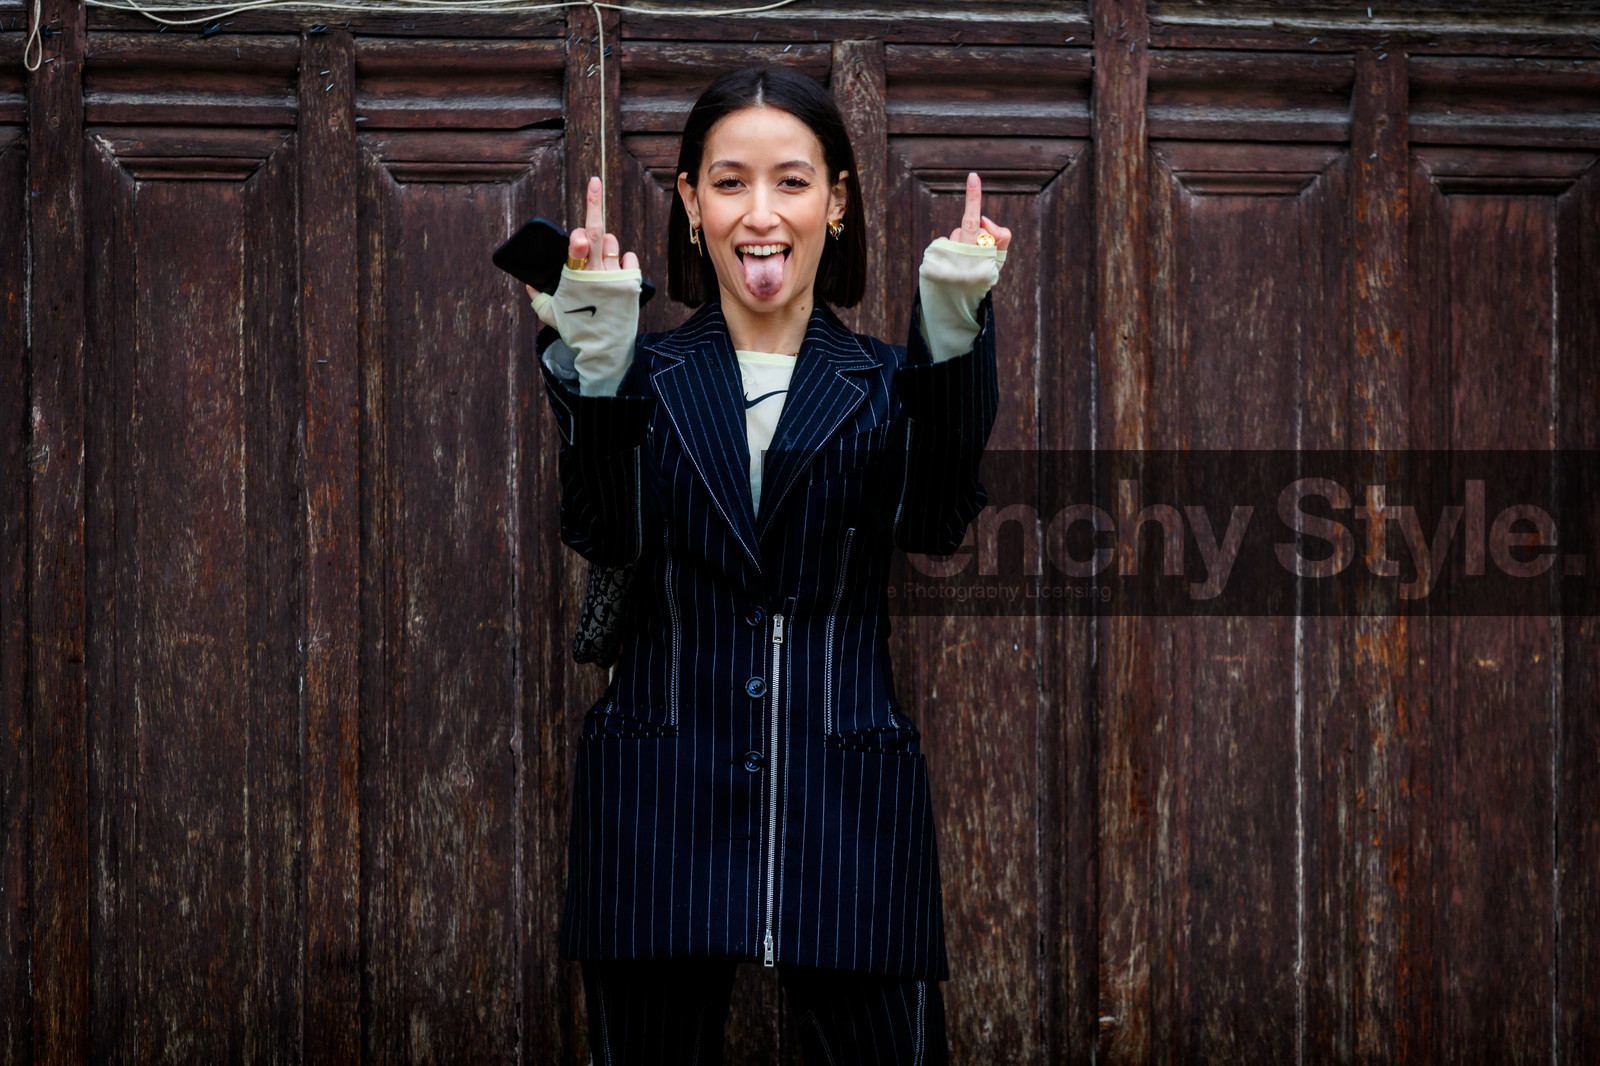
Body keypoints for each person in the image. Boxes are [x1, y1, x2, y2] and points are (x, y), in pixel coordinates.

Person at [526, 64, 1009, 1066]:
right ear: (692, 205)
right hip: (660, 792)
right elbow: (603, 532)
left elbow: (933, 521)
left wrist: (951, 327)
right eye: (730, 181)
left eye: (791, 182)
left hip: (849, 794)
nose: (761, 212)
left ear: (837, 204)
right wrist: (601, 366)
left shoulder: (883, 380)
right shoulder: (642, 370)